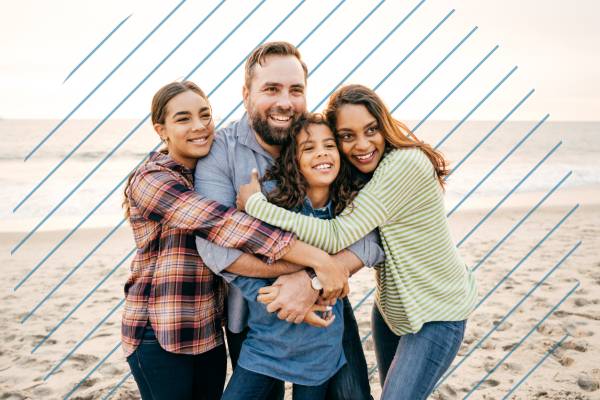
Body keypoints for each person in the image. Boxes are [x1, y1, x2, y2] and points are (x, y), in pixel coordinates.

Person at [238, 84, 478, 400]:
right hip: (392, 310)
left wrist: (256, 205)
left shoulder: (404, 164)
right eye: (348, 136)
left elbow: (337, 235)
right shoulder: (367, 173)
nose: (362, 144)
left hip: (437, 312)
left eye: (371, 130)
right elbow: (365, 237)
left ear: (385, 126)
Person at [121, 81, 349, 400]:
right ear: (161, 129)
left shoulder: (207, 170)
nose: (200, 126)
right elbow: (223, 224)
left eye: (205, 115)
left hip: (208, 331)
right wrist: (318, 260)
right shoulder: (152, 179)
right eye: (183, 118)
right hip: (160, 332)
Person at [195, 43, 382, 400]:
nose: (285, 101)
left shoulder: (325, 142)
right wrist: (310, 268)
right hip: (253, 318)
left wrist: (311, 281)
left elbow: (370, 235)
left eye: (295, 90)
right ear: (246, 93)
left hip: (326, 311)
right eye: (271, 89)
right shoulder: (222, 151)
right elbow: (214, 246)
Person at [222, 114, 384, 400]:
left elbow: (368, 249)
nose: (321, 152)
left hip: (321, 350)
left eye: (329, 145)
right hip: (266, 345)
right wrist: (280, 299)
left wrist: (314, 285)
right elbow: (243, 271)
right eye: (308, 148)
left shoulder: (349, 213)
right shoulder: (279, 209)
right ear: (293, 161)